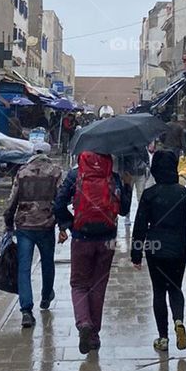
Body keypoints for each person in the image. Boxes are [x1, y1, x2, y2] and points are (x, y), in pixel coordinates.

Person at [54, 151, 131, 354]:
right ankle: (94, 336)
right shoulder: (112, 177)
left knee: (79, 284)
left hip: (81, 237)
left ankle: (84, 323)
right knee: (98, 286)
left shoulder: (75, 175)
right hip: (107, 239)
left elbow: (58, 203)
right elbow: (124, 210)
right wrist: (128, 185)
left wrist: (70, 225)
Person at [131, 149, 186, 352]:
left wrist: (136, 254)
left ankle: (163, 337)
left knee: (158, 292)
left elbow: (139, 226)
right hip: (177, 249)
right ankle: (179, 320)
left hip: (155, 249)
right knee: (175, 288)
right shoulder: (183, 193)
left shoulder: (149, 194)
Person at [4, 153, 62, 328]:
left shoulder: (22, 173)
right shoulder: (55, 172)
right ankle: (45, 297)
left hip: (24, 226)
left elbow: (11, 201)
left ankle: (26, 311)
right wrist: (62, 223)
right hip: (46, 225)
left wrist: (8, 224)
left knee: (24, 268)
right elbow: (60, 199)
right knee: (47, 262)